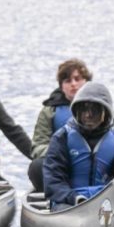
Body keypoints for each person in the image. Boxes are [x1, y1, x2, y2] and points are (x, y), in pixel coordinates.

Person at [42, 82, 114, 209]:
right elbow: (53, 182)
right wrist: (75, 198)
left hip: (109, 201)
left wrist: (113, 198)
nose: (88, 115)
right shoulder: (61, 138)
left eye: (94, 110)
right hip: (70, 201)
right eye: (83, 109)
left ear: (106, 112)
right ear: (77, 111)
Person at [28, 58, 92, 191]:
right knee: (36, 166)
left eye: (77, 79)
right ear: (61, 86)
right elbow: (38, 147)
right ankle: (58, 194)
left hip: (94, 162)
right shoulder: (49, 111)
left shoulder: (102, 108)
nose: (73, 84)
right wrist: (62, 153)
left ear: (86, 81)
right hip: (63, 165)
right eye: (68, 81)